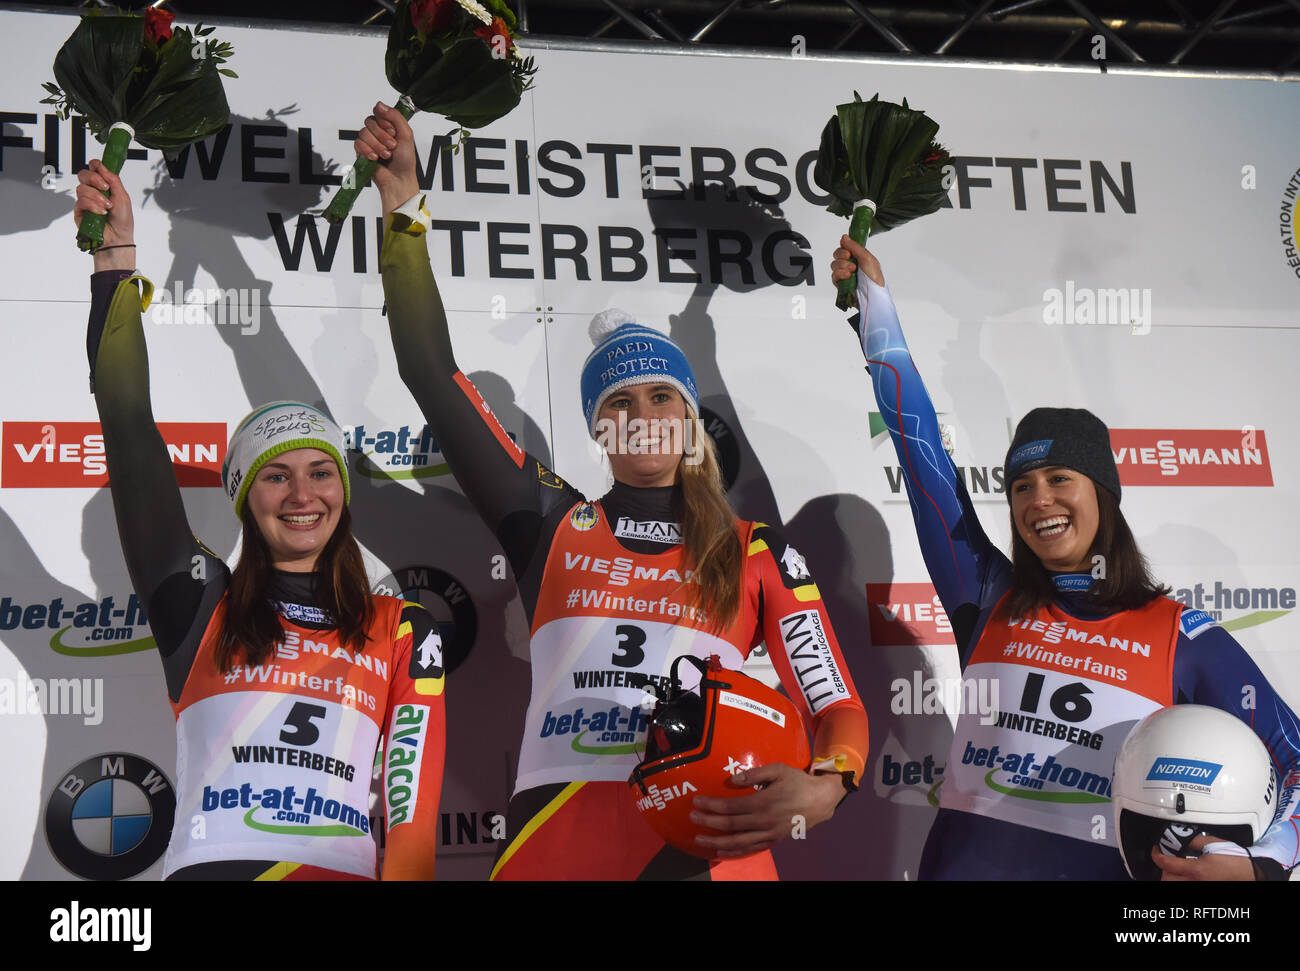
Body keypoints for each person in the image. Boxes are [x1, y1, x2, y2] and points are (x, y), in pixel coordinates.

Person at [358, 102, 869, 880]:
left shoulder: (757, 552)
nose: (643, 415)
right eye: (620, 403)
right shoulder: (548, 519)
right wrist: (404, 209)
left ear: (691, 421)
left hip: (712, 840)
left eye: (662, 397)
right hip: (561, 842)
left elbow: (838, 706)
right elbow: (430, 372)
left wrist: (828, 784)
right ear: (600, 428)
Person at [831, 236, 1300, 880]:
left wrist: (1262, 870)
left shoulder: (1179, 634)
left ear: (1102, 494)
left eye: (1059, 479)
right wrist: (874, 316)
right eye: (1021, 485)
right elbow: (923, 463)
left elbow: (1295, 760)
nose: (1037, 500)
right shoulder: (986, 591)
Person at [75, 159, 446, 880]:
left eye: (320, 472)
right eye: (276, 475)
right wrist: (114, 262)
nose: (302, 495)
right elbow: (126, 425)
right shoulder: (196, 600)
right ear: (246, 495)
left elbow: (410, 812)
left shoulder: (404, 629)